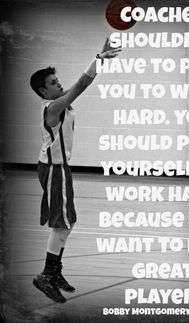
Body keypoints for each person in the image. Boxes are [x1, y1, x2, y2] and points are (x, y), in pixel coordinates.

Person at [30, 39, 121, 303]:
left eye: (58, 81)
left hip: (61, 169)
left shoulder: (59, 101)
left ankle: (54, 271)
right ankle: (46, 275)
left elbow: (78, 87)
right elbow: (81, 86)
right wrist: (98, 58)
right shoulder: (53, 107)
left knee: (68, 223)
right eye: (53, 83)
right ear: (43, 92)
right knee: (61, 224)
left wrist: (98, 61)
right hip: (53, 170)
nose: (58, 84)